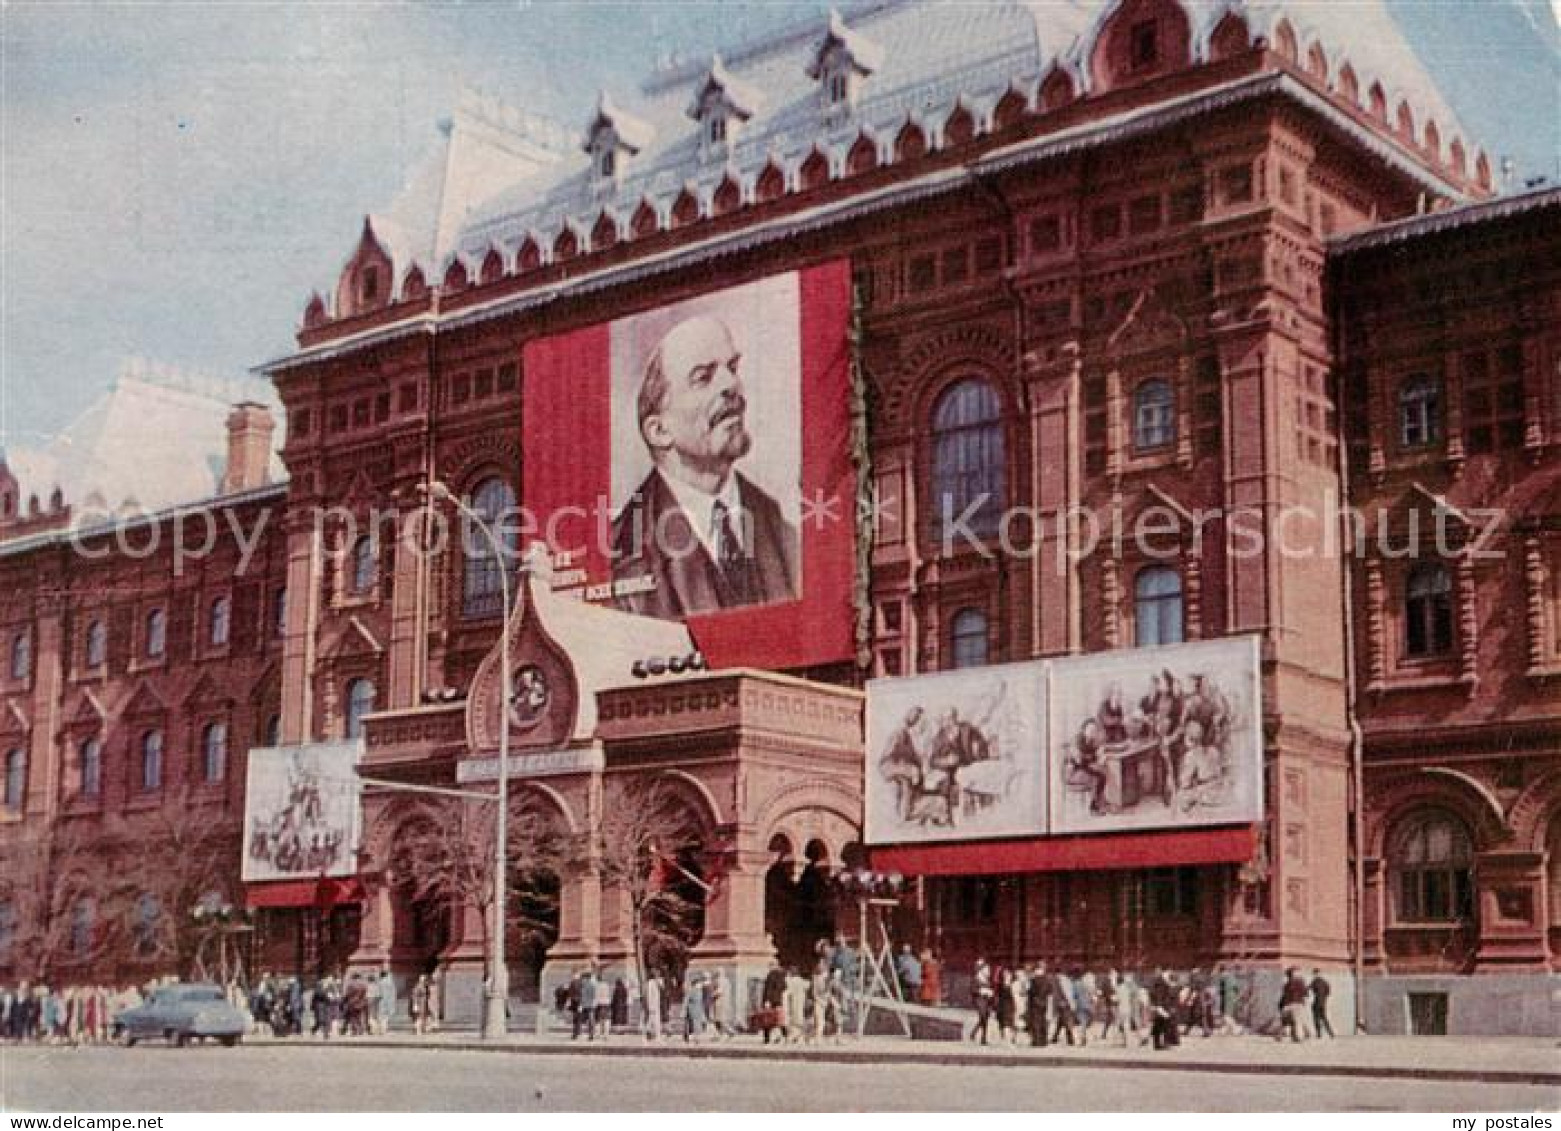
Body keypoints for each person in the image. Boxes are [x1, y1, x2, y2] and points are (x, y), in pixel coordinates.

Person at [611, 314, 799, 619]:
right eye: (703, 377)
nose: (732, 385)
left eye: (732, 368)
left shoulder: (784, 529)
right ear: (659, 431)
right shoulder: (620, 554)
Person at [1278, 967, 1310, 1042]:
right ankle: (1297, 1036)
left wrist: (1281, 1005)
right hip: (1296, 1004)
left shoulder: (1287, 984)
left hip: (1289, 1005)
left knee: (1288, 1022)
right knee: (1296, 1021)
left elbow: (1284, 996)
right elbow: (1306, 993)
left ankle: (1285, 1036)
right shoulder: (1300, 982)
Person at [760, 960, 788, 1045]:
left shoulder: (772, 975)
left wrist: (767, 1000)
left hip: (772, 1001)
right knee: (778, 1019)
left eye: (771, 965)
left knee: (767, 1020)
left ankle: (767, 1038)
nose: (769, 967)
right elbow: (784, 987)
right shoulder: (782, 975)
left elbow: (769, 989)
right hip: (778, 1001)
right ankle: (784, 1035)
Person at [971, 957, 995, 1045]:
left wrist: (990, 992)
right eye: (986, 969)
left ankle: (977, 1034)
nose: (988, 971)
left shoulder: (987, 980)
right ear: (981, 970)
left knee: (985, 1018)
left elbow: (990, 988)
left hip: (986, 1000)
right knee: (983, 1017)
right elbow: (973, 990)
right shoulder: (976, 978)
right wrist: (981, 991)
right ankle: (981, 1037)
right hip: (979, 1000)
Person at [1309, 968, 1334, 1038]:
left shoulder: (1314, 981)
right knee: (1324, 1018)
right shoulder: (1325, 982)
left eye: (1314, 973)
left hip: (1317, 1002)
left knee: (1316, 1018)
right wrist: (1324, 998)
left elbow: (1308, 989)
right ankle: (1331, 1033)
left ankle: (1319, 1034)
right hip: (1323, 1002)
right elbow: (1328, 991)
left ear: (1315, 974)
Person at [642, 970, 664, 1042]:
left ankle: (655, 1035)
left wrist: (658, 982)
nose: (658, 976)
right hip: (652, 1005)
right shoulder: (650, 983)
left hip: (657, 1004)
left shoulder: (659, 981)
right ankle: (648, 1034)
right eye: (656, 975)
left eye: (658, 975)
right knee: (652, 1021)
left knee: (655, 1021)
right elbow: (649, 995)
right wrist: (649, 1006)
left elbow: (662, 988)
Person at [376, 968, 396, 1034]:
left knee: (382, 1016)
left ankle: (382, 1030)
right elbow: (394, 993)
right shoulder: (390, 982)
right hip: (389, 1001)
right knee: (386, 1017)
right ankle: (384, 1030)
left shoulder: (380, 982)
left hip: (382, 1001)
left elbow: (378, 993)